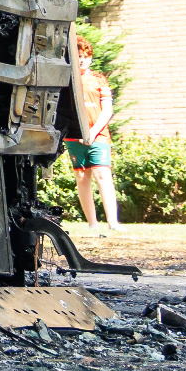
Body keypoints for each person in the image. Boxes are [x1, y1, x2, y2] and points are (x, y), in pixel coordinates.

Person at [64, 33, 120, 234]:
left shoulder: (99, 79)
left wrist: (93, 132)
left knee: (102, 174)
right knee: (81, 177)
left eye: (86, 56)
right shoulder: (67, 79)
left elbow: (107, 110)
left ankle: (113, 223)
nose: (82, 60)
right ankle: (92, 224)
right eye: (78, 55)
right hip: (74, 136)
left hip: (99, 136)